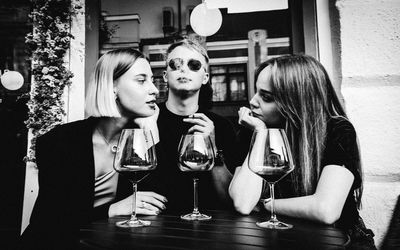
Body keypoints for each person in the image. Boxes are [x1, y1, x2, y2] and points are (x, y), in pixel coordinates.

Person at [20, 48, 167, 249]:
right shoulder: (59, 141)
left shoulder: (138, 140)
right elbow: (48, 221)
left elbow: (159, 200)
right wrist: (110, 210)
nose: (155, 89)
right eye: (141, 80)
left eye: (152, 79)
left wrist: (150, 134)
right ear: (112, 87)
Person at [229, 55, 376, 249]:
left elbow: (325, 209)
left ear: (296, 101)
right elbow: (243, 202)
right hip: (281, 240)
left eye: (266, 97)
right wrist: (260, 134)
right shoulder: (255, 129)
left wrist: (268, 204)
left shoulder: (337, 129)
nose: (252, 101)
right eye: (256, 91)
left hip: (342, 241)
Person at [140, 38, 239, 212]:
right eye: (176, 64)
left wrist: (213, 150)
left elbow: (231, 200)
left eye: (194, 65)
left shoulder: (222, 126)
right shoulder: (146, 120)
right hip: (157, 224)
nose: (184, 69)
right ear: (165, 76)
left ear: (205, 77)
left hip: (210, 226)